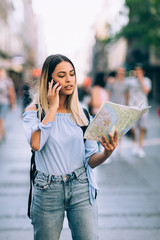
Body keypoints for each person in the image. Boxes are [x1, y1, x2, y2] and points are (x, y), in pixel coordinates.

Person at [22, 54, 118, 240]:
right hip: (47, 188)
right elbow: (36, 144)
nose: (69, 79)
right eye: (62, 75)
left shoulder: (82, 114)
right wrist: (52, 108)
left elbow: (91, 159)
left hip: (80, 186)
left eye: (72, 74)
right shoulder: (34, 112)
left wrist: (107, 152)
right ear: (49, 80)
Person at [127, 63, 152, 158]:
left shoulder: (147, 80)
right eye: (136, 71)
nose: (138, 73)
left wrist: (141, 81)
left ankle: (140, 147)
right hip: (132, 108)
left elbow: (146, 91)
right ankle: (134, 144)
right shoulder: (130, 81)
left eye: (140, 71)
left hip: (143, 107)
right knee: (133, 129)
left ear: (143, 72)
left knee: (142, 128)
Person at [107, 67, 129, 156]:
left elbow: (127, 95)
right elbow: (107, 94)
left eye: (122, 72)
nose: (121, 74)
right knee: (111, 128)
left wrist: (127, 107)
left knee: (120, 128)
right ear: (116, 73)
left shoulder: (126, 83)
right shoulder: (112, 82)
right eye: (119, 72)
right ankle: (110, 147)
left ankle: (119, 147)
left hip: (122, 107)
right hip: (112, 107)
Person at [0, 67, 16, 142]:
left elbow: (11, 92)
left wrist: (13, 104)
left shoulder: (7, 81)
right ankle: (3, 133)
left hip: (4, 103)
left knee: (1, 119)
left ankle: (1, 134)